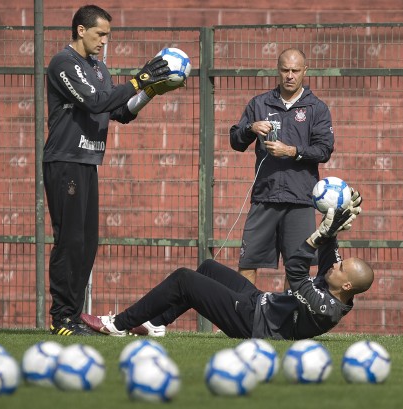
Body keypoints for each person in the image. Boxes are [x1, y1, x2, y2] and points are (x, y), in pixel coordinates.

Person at [44, 4, 179, 336]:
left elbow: (121, 110)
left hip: (88, 163)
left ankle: (73, 316)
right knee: (70, 240)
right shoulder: (64, 63)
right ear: (81, 30)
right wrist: (139, 79)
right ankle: (61, 317)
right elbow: (93, 102)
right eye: (100, 33)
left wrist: (149, 91)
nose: (105, 40)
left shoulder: (100, 68)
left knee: (88, 243)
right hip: (65, 161)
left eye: (107, 35)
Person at [81, 191, 373, 340]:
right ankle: (156, 324)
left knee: (184, 278)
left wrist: (315, 237)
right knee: (208, 266)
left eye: (341, 268)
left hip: (251, 323)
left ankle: (118, 324)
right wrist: (334, 226)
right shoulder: (337, 287)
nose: (336, 267)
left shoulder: (326, 308)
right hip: (258, 303)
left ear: (347, 285)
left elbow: (296, 272)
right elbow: (329, 257)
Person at [229, 48, 335, 285]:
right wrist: (250, 128)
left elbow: (324, 150)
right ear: (278, 71)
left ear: (304, 71)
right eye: (285, 70)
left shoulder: (316, 108)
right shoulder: (259, 103)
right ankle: (244, 319)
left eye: (295, 71)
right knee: (248, 263)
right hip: (265, 197)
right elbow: (236, 142)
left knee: (297, 268)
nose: (290, 75)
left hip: (300, 199)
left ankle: (289, 320)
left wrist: (292, 152)